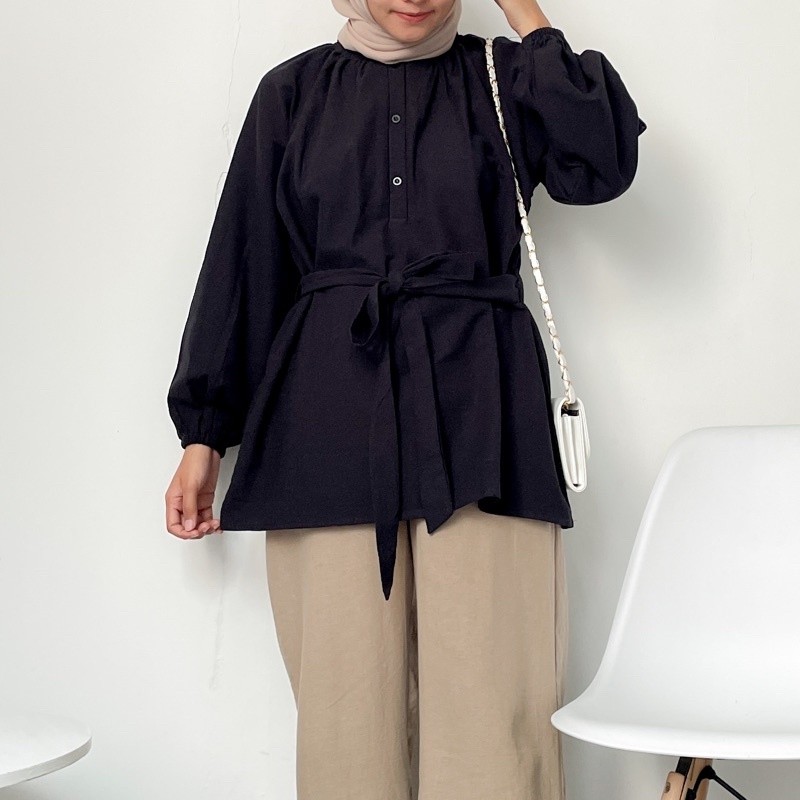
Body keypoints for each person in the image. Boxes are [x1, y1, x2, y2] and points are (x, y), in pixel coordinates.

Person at [164, 0, 646, 797]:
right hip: (326, 424)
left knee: (495, 713)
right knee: (344, 720)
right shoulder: (292, 93)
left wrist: (526, 15)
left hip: (486, 422)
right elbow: (245, 263)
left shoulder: (507, 77)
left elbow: (602, 161)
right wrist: (203, 434)